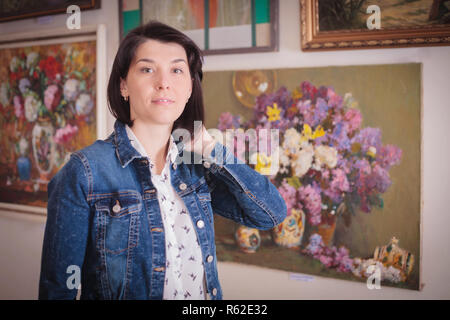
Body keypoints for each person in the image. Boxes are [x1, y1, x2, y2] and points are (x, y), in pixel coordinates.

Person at [38, 21, 287, 300]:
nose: (164, 82)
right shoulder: (85, 172)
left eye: (177, 70)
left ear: (190, 87)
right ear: (123, 85)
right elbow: (57, 290)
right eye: (147, 69)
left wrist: (213, 150)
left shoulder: (196, 169)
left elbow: (270, 214)